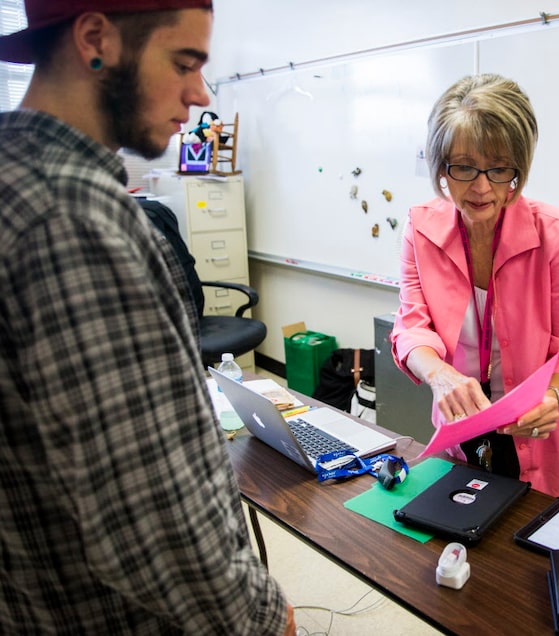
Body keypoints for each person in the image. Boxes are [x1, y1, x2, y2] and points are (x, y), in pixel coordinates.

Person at [0, 2, 295, 634]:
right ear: (95, 38)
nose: (200, 92)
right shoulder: (74, 220)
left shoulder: (15, 180)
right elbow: (153, 517)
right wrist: (263, 619)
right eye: (183, 62)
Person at [391, 74, 559, 499]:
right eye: (465, 166)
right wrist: (440, 375)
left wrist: (552, 397)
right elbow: (411, 328)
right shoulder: (421, 229)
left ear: (518, 167)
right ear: (440, 166)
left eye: (500, 167)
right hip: (464, 419)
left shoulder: (555, 235)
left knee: (532, 554)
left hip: (541, 429)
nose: (483, 187)